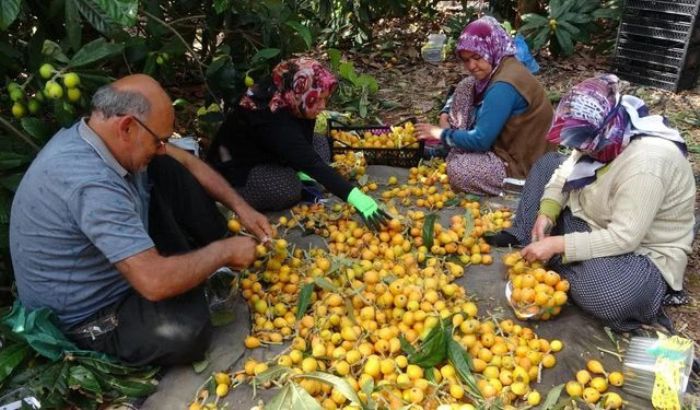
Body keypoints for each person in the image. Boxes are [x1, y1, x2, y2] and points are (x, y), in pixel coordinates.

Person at [9, 74, 274, 366]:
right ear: (126, 127)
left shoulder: (100, 137)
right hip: (90, 314)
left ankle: (203, 259)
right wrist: (224, 252)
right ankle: (204, 263)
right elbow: (153, 282)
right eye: (159, 140)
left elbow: (185, 161)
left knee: (167, 165)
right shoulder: (90, 183)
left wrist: (241, 207)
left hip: (116, 265)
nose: (163, 146)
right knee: (189, 332)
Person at [489, 74, 696, 331]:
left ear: (608, 134)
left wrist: (558, 243)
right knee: (547, 165)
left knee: (609, 296)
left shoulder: (646, 166)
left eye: (585, 147)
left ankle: (560, 262)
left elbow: (625, 238)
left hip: (639, 251)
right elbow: (565, 171)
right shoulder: (601, 137)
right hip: (592, 216)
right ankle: (537, 241)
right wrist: (547, 212)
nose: (581, 151)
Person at [207, 57, 389, 229]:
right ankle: (235, 197)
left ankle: (298, 172)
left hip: (274, 152)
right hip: (240, 171)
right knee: (288, 189)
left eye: (325, 98)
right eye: (317, 99)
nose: (323, 106)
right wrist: (355, 197)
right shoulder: (271, 115)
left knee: (320, 142)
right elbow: (310, 161)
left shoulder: (294, 96)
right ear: (300, 90)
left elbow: (304, 143)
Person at [415, 16, 554, 196]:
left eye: (477, 57)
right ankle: (454, 146)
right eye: (466, 60)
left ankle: (518, 186)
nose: (472, 66)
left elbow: (481, 140)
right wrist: (445, 115)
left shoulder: (503, 87)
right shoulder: (503, 63)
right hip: (509, 147)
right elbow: (465, 95)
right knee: (466, 85)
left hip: (524, 165)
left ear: (490, 49)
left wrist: (439, 133)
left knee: (459, 170)